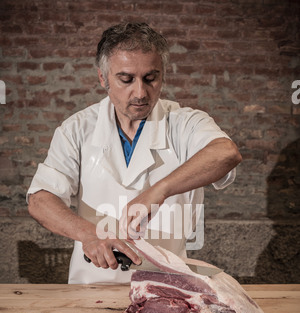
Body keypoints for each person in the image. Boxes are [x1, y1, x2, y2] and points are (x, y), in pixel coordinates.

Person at [27, 22, 242, 284]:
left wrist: (157, 191)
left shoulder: (185, 122)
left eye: (151, 78)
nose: (140, 93)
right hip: (92, 285)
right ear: (103, 78)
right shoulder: (76, 129)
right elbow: (40, 199)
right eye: (126, 79)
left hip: (167, 286)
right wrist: (89, 234)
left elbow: (225, 153)